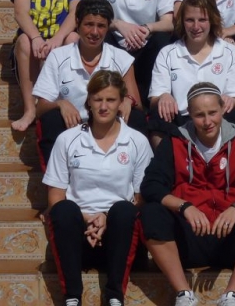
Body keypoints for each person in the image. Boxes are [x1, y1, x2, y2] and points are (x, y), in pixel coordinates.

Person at [140, 82, 235, 306]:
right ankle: (184, 293)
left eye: (212, 112)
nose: (207, 121)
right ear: (189, 114)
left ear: (223, 109)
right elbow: (151, 186)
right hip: (188, 237)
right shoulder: (175, 141)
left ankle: (231, 295)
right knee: (152, 213)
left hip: (229, 235)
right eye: (199, 115)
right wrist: (184, 206)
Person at [44, 71, 153, 306]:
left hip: (119, 235)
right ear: (89, 102)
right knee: (63, 210)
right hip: (78, 234)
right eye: (98, 99)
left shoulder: (137, 141)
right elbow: (55, 195)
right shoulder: (68, 139)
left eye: (111, 100)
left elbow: (141, 197)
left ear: (121, 102)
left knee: (125, 210)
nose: (104, 107)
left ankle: (115, 297)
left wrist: (105, 217)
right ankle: (72, 297)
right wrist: (88, 219)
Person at [32, 0, 144, 166]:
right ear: (77, 23)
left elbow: (137, 102)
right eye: (89, 24)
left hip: (108, 125)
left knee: (136, 117)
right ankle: (59, 177)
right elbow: (40, 108)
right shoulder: (58, 57)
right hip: (71, 128)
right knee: (51, 119)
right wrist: (60, 104)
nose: (94, 32)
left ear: (108, 27)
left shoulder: (121, 58)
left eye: (101, 26)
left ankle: (132, 173)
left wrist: (128, 101)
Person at [8, 0, 87, 132]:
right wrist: (36, 37)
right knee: (24, 40)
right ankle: (30, 110)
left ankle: (71, 104)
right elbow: (20, 12)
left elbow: (76, 13)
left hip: (59, 41)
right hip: (32, 44)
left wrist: (57, 39)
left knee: (73, 37)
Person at [148, 0, 235, 143]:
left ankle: (224, 156)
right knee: (158, 115)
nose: (196, 26)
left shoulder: (230, 52)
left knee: (231, 114)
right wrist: (163, 96)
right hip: (181, 117)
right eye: (189, 20)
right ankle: (165, 157)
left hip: (214, 118)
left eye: (202, 20)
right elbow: (155, 97)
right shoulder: (167, 53)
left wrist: (229, 100)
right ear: (182, 21)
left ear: (212, 20)